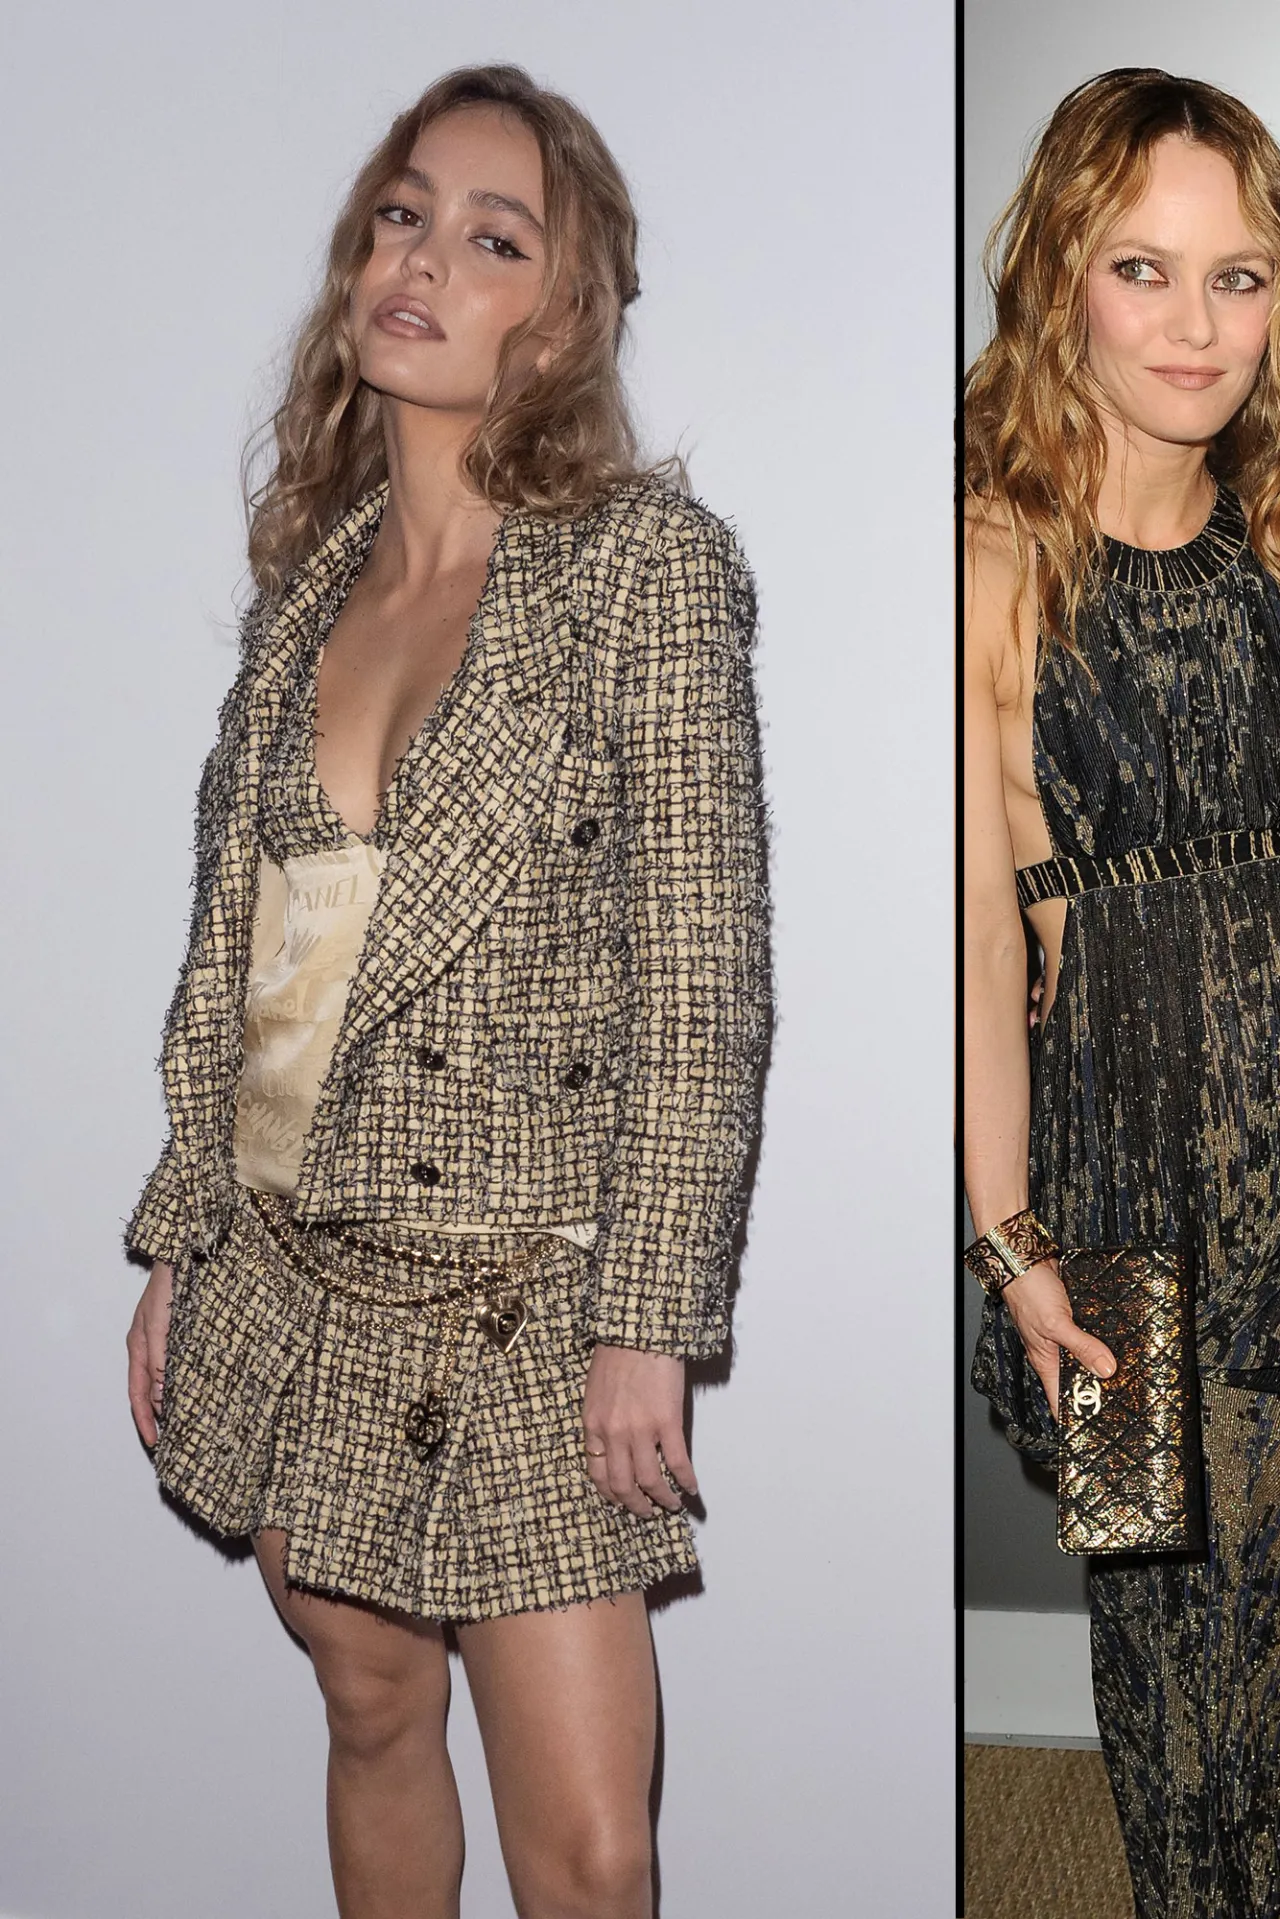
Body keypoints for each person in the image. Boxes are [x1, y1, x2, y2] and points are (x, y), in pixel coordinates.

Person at [121, 65, 769, 1919]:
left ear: (559, 315)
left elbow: (702, 980)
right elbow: (245, 965)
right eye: (402, 215)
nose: (421, 259)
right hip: (293, 1278)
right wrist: (181, 1238)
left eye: (492, 238)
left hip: (528, 1304)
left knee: (592, 1853)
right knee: (370, 1709)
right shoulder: (304, 594)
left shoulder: (641, 570)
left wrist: (649, 1321)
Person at [963, 69, 1280, 1916]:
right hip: (1107, 1195)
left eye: (1237, 277)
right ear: (1060, 282)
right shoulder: (984, 569)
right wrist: (1010, 1239)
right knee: (1157, 1623)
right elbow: (974, 936)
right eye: (1141, 269)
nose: (1193, 325)